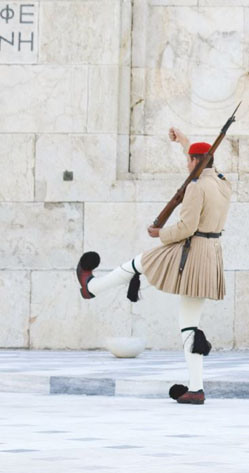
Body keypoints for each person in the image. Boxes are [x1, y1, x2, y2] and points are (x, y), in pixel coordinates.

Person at [75, 127, 233, 405]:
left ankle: (91, 288)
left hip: (192, 252)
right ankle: (195, 388)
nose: (187, 163)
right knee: (189, 325)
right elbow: (200, 162)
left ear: (196, 162)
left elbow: (186, 227)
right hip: (212, 254)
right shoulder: (222, 182)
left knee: (142, 260)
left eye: (189, 160)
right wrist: (184, 142)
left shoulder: (196, 187)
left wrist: (159, 233)